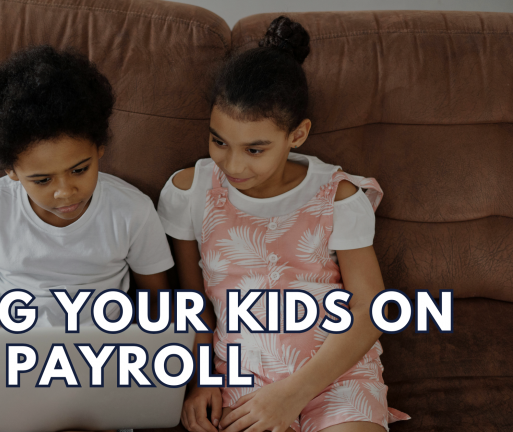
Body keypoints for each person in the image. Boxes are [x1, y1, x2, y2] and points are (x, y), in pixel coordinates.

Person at [157, 16, 411, 432]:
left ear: (298, 134)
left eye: (255, 149)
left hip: (334, 374)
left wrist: (294, 392)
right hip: (242, 376)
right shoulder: (188, 192)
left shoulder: (339, 196)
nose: (233, 165)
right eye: (219, 141)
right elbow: (193, 305)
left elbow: (371, 308)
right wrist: (200, 381)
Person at [0, 44, 173, 342]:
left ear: (99, 149)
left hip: (101, 348)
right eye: (43, 180)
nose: (65, 192)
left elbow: (157, 302)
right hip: (10, 345)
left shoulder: (132, 210)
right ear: (11, 171)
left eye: (79, 170)